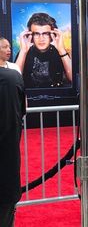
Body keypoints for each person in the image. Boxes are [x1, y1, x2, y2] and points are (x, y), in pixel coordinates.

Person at [0, 37, 26, 225]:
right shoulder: (13, 77)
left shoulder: (14, 74)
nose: (8, 50)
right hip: (8, 150)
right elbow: (21, 109)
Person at [15, 12, 72, 88]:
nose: (41, 38)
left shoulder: (60, 52)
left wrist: (61, 50)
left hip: (57, 97)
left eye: (45, 33)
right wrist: (23, 51)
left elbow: (73, 78)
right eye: (37, 34)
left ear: (52, 34)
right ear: (30, 35)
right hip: (29, 98)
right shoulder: (24, 52)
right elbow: (14, 81)